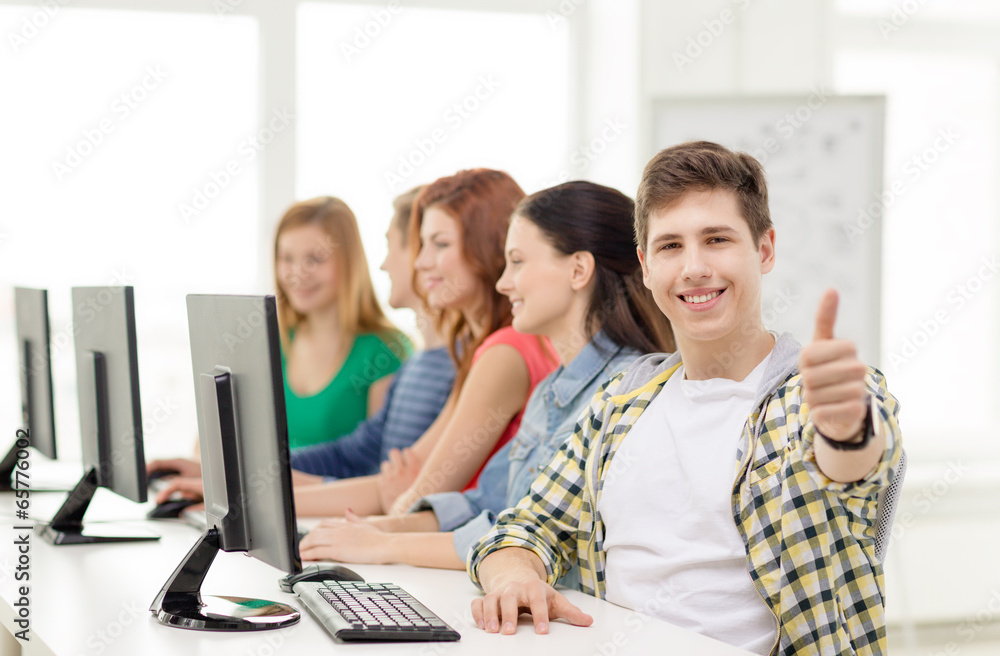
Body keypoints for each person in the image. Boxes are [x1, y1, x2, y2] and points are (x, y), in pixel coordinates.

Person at [467, 142, 903, 656]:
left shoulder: (818, 396)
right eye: (670, 246)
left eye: (716, 239)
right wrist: (514, 575)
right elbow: (527, 524)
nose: (694, 268)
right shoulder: (623, 401)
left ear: (764, 250)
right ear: (646, 267)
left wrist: (847, 428)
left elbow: (852, 460)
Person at [297, 181, 675, 571]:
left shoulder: (621, 393)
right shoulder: (549, 390)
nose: (502, 282)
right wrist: (380, 529)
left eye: (518, 262)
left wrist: (385, 544)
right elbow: (485, 503)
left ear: (578, 269)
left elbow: (529, 537)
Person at [293, 168, 559, 518]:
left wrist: (396, 506)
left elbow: (417, 496)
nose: (421, 262)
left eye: (441, 244)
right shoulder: (482, 352)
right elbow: (412, 478)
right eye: (422, 244)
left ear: (487, 245)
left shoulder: (505, 353)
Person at [275, 196, 410, 449]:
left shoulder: (386, 350)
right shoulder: (270, 341)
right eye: (286, 258)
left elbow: (378, 464)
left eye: (314, 259)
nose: (297, 273)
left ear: (349, 262)